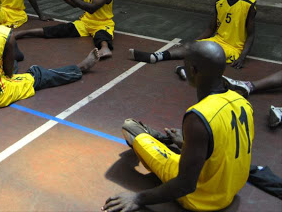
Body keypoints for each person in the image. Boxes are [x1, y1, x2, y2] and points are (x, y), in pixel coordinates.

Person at [102, 41, 254, 212]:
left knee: (130, 127)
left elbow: (186, 185)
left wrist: (138, 197)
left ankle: (163, 139)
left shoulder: (198, 117)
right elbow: (226, 146)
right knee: (195, 139)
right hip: (231, 188)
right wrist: (186, 144)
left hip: (204, 198)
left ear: (193, 70)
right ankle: (182, 142)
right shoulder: (242, 101)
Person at [130, 0, 256, 69]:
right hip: (217, 41)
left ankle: (187, 70)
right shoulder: (220, 2)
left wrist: (242, 57)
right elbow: (210, 29)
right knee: (191, 46)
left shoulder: (248, 5)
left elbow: (250, 35)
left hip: (233, 48)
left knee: (206, 52)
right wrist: (193, 42)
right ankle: (155, 56)